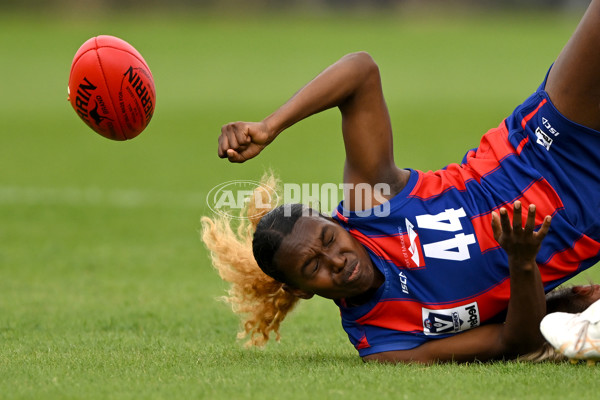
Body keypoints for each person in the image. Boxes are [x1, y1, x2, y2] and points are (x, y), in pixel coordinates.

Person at [203, 0, 600, 364]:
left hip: (545, 142)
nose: (336, 261)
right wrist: (523, 261)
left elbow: (359, 72)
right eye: (313, 267)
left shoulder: (371, 204)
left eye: (328, 240)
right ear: (302, 290)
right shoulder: (384, 342)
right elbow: (513, 344)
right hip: (586, 223)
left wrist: (270, 126)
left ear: (335, 222)